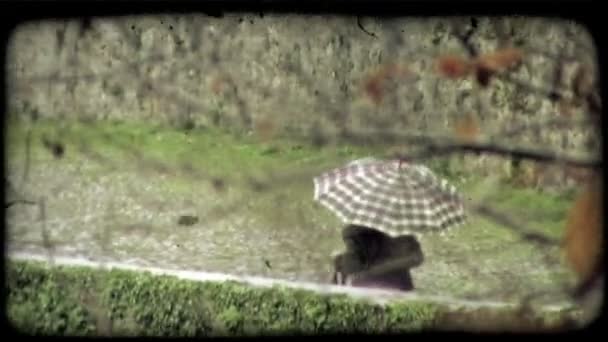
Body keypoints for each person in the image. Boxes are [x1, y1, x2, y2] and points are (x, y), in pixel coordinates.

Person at [331, 224, 424, 291]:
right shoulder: (402, 228)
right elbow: (417, 258)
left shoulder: (354, 231)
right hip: (394, 288)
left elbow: (416, 258)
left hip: (389, 288)